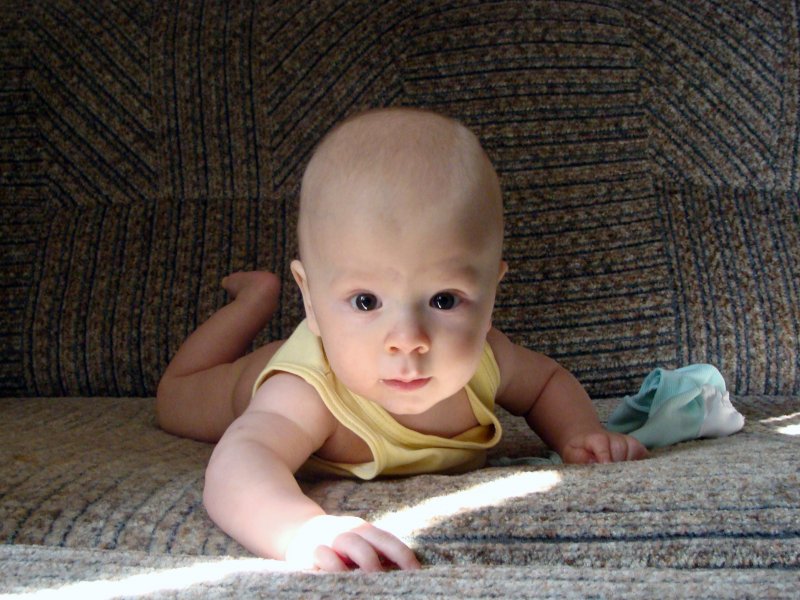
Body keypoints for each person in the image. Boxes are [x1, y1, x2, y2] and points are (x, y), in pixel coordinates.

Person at [156, 107, 648, 573]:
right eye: (365, 301)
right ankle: (254, 301)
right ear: (311, 300)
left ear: (490, 296)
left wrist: (578, 433)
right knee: (175, 395)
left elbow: (547, 383)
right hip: (235, 388)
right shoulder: (304, 394)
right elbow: (239, 462)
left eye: (444, 300)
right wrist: (300, 529)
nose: (408, 340)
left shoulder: (488, 361)